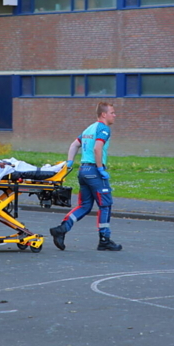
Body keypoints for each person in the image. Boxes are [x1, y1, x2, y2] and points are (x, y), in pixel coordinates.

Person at [49, 102, 122, 251]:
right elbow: (97, 148)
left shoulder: (89, 128)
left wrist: (70, 162)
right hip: (94, 171)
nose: (115, 115)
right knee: (105, 204)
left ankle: (61, 229)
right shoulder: (104, 129)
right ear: (104, 114)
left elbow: (74, 145)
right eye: (112, 112)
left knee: (85, 205)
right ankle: (104, 240)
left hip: (83, 171)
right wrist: (101, 168)